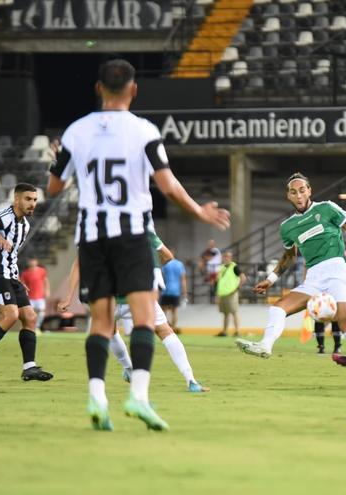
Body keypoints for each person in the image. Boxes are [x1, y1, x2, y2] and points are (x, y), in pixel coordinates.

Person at [46, 59, 230, 431]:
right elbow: (167, 185)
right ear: (133, 90)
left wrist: (59, 161)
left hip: (93, 236)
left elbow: (53, 189)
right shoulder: (144, 131)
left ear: (98, 88)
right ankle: (139, 397)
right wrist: (198, 210)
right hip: (131, 235)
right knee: (145, 319)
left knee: (101, 323)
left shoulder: (76, 132)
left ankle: (97, 398)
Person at [236, 172, 346, 366]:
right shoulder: (287, 227)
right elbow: (290, 255)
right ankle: (265, 345)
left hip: (337, 271)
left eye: (302, 190)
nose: (298, 195)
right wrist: (271, 279)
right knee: (278, 308)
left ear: (309, 191)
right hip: (314, 276)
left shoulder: (326, 208)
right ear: (288, 196)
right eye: (293, 192)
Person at [58, 230, 209, 394]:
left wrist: (68, 297)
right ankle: (191, 380)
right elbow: (167, 256)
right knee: (164, 331)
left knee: (109, 331)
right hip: (136, 294)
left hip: (107, 296)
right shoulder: (141, 227)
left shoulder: (95, 228)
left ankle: (128, 368)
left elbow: (80, 262)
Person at [0, 183, 54, 382]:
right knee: (11, 314)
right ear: (16, 200)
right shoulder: (3, 217)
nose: (32, 204)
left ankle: (29, 367)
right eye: (28, 199)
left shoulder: (25, 225)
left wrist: (16, 278)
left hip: (9, 275)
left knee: (30, 317)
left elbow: (11, 255)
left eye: (34, 200)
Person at [216, 251, 246, 337]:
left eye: (228, 257)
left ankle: (237, 331)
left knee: (234, 312)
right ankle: (224, 331)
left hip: (231, 294)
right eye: (224, 257)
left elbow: (243, 278)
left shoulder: (234, 267)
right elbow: (220, 282)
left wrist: (237, 288)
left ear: (230, 258)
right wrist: (218, 295)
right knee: (225, 313)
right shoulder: (222, 268)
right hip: (223, 294)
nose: (226, 258)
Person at [20, 258, 50, 331]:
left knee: (42, 312)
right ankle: (27, 327)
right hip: (30, 296)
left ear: (36, 261)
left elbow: (46, 281)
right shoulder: (25, 273)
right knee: (29, 313)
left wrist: (47, 290)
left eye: (33, 260)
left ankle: (37, 326)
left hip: (40, 296)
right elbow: (22, 284)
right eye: (31, 261)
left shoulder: (42, 271)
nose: (32, 262)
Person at [159, 255, 187, 331]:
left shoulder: (165, 264)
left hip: (166, 290)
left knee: (163, 311)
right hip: (176, 291)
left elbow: (161, 277)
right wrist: (184, 293)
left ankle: (165, 328)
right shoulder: (180, 264)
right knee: (174, 311)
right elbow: (183, 279)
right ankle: (173, 328)